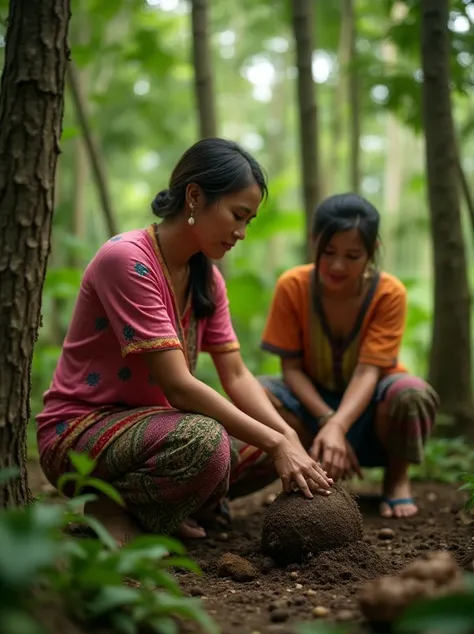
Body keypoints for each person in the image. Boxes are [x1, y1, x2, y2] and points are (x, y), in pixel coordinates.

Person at [36, 138, 332, 545]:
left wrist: (287, 438)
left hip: (159, 435)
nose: (242, 233)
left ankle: (179, 505)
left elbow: (237, 375)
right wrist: (277, 440)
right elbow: (177, 385)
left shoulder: (206, 279)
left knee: (278, 432)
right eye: (237, 215)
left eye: (249, 222)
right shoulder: (127, 260)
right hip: (80, 435)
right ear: (194, 196)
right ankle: (113, 507)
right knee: (207, 442)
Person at [259, 193, 439, 519]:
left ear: (373, 251)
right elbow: (291, 369)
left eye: (353, 255)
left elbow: (368, 371)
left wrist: (340, 424)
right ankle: (301, 472)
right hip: (311, 411)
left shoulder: (389, 293)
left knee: (412, 394)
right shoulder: (292, 286)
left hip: (372, 410)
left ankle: (397, 481)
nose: (338, 265)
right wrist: (328, 420)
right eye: (328, 252)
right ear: (314, 241)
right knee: (256, 395)